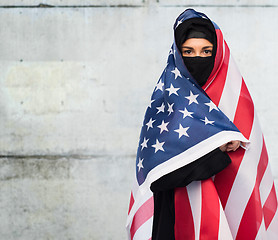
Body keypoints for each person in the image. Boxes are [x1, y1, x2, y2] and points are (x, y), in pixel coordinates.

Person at [127, 9, 278, 240]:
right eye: (188, 52)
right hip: (173, 214)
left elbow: (248, 170)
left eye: (206, 51)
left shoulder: (234, 99)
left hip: (227, 213)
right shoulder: (167, 99)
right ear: (178, 54)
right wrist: (215, 147)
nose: (197, 59)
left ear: (217, 54)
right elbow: (158, 175)